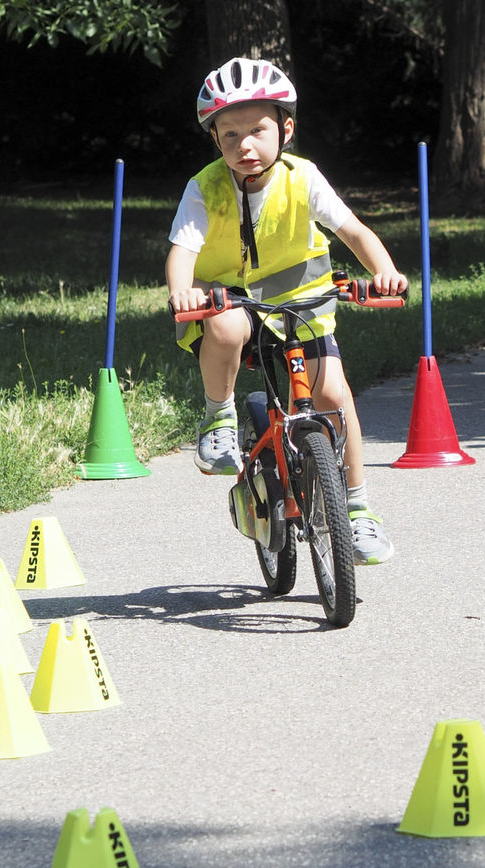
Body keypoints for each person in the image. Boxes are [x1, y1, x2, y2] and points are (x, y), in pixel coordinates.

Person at [165, 56, 408, 565]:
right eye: (229, 135)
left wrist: (384, 271)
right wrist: (184, 292)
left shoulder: (305, 179)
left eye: (256, 130)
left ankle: (359, 510)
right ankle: (218, 419)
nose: (244, 145)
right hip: (231, 301)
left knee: (332, 394)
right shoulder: (204, 188)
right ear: (215, 140)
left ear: (286, 128)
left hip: (302, 301)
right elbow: (182, 252)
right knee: (226, 328)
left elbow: (355, 233)